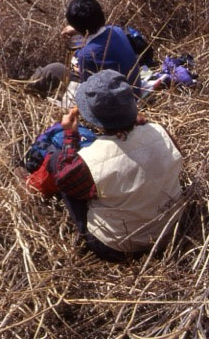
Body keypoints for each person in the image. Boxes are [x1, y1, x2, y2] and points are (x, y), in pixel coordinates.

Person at [49, 70, 183, 261]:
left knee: (57, 162)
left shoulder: (89, 161)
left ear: (93, 117)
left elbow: (64, 179)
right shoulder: (160, 132)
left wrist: (70, 135)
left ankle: (82, 231)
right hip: (171, 228)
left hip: (120, 246)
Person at [29, 0, 141, 99]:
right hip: (133, 90)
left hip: (113, 102)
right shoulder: (116, 30)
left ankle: (26, 91)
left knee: (52, 70)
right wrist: (79, 29)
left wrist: (80, 69)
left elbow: (89, 93)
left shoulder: (87, 55)